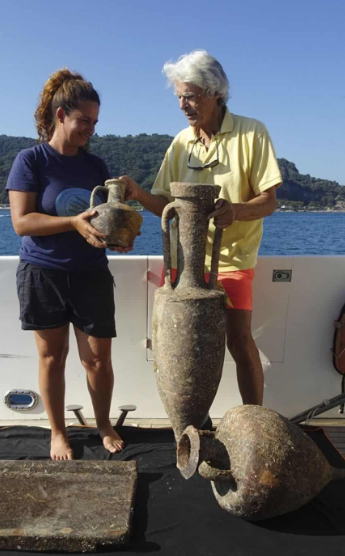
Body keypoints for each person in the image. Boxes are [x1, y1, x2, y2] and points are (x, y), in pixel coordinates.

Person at [121, 50, 282, 407]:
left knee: (239, 341)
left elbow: (269, 201)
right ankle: (191, 420)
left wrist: (236, 211)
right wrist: (137, 194)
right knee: (180, 342)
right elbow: (167, 207)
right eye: (179, 96)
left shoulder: (252, 133)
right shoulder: (181, 142)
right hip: (184, 263)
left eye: (190, 95)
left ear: (216, 93)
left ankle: (253, 419)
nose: (182, 104)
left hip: (233, 261)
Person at [7, 68, 128, 460]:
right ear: (61, 116)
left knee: (98, 359)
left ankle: (104, 423)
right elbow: (22, 222)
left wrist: (118, 235)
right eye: (83, 121)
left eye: (94, 122)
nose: (89, 129)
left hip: (91, 272)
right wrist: (73, 222)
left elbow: (105, 217)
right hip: (43, 273)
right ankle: (58, 432)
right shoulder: (31, 161)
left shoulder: (96, 166)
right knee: (52, 358)